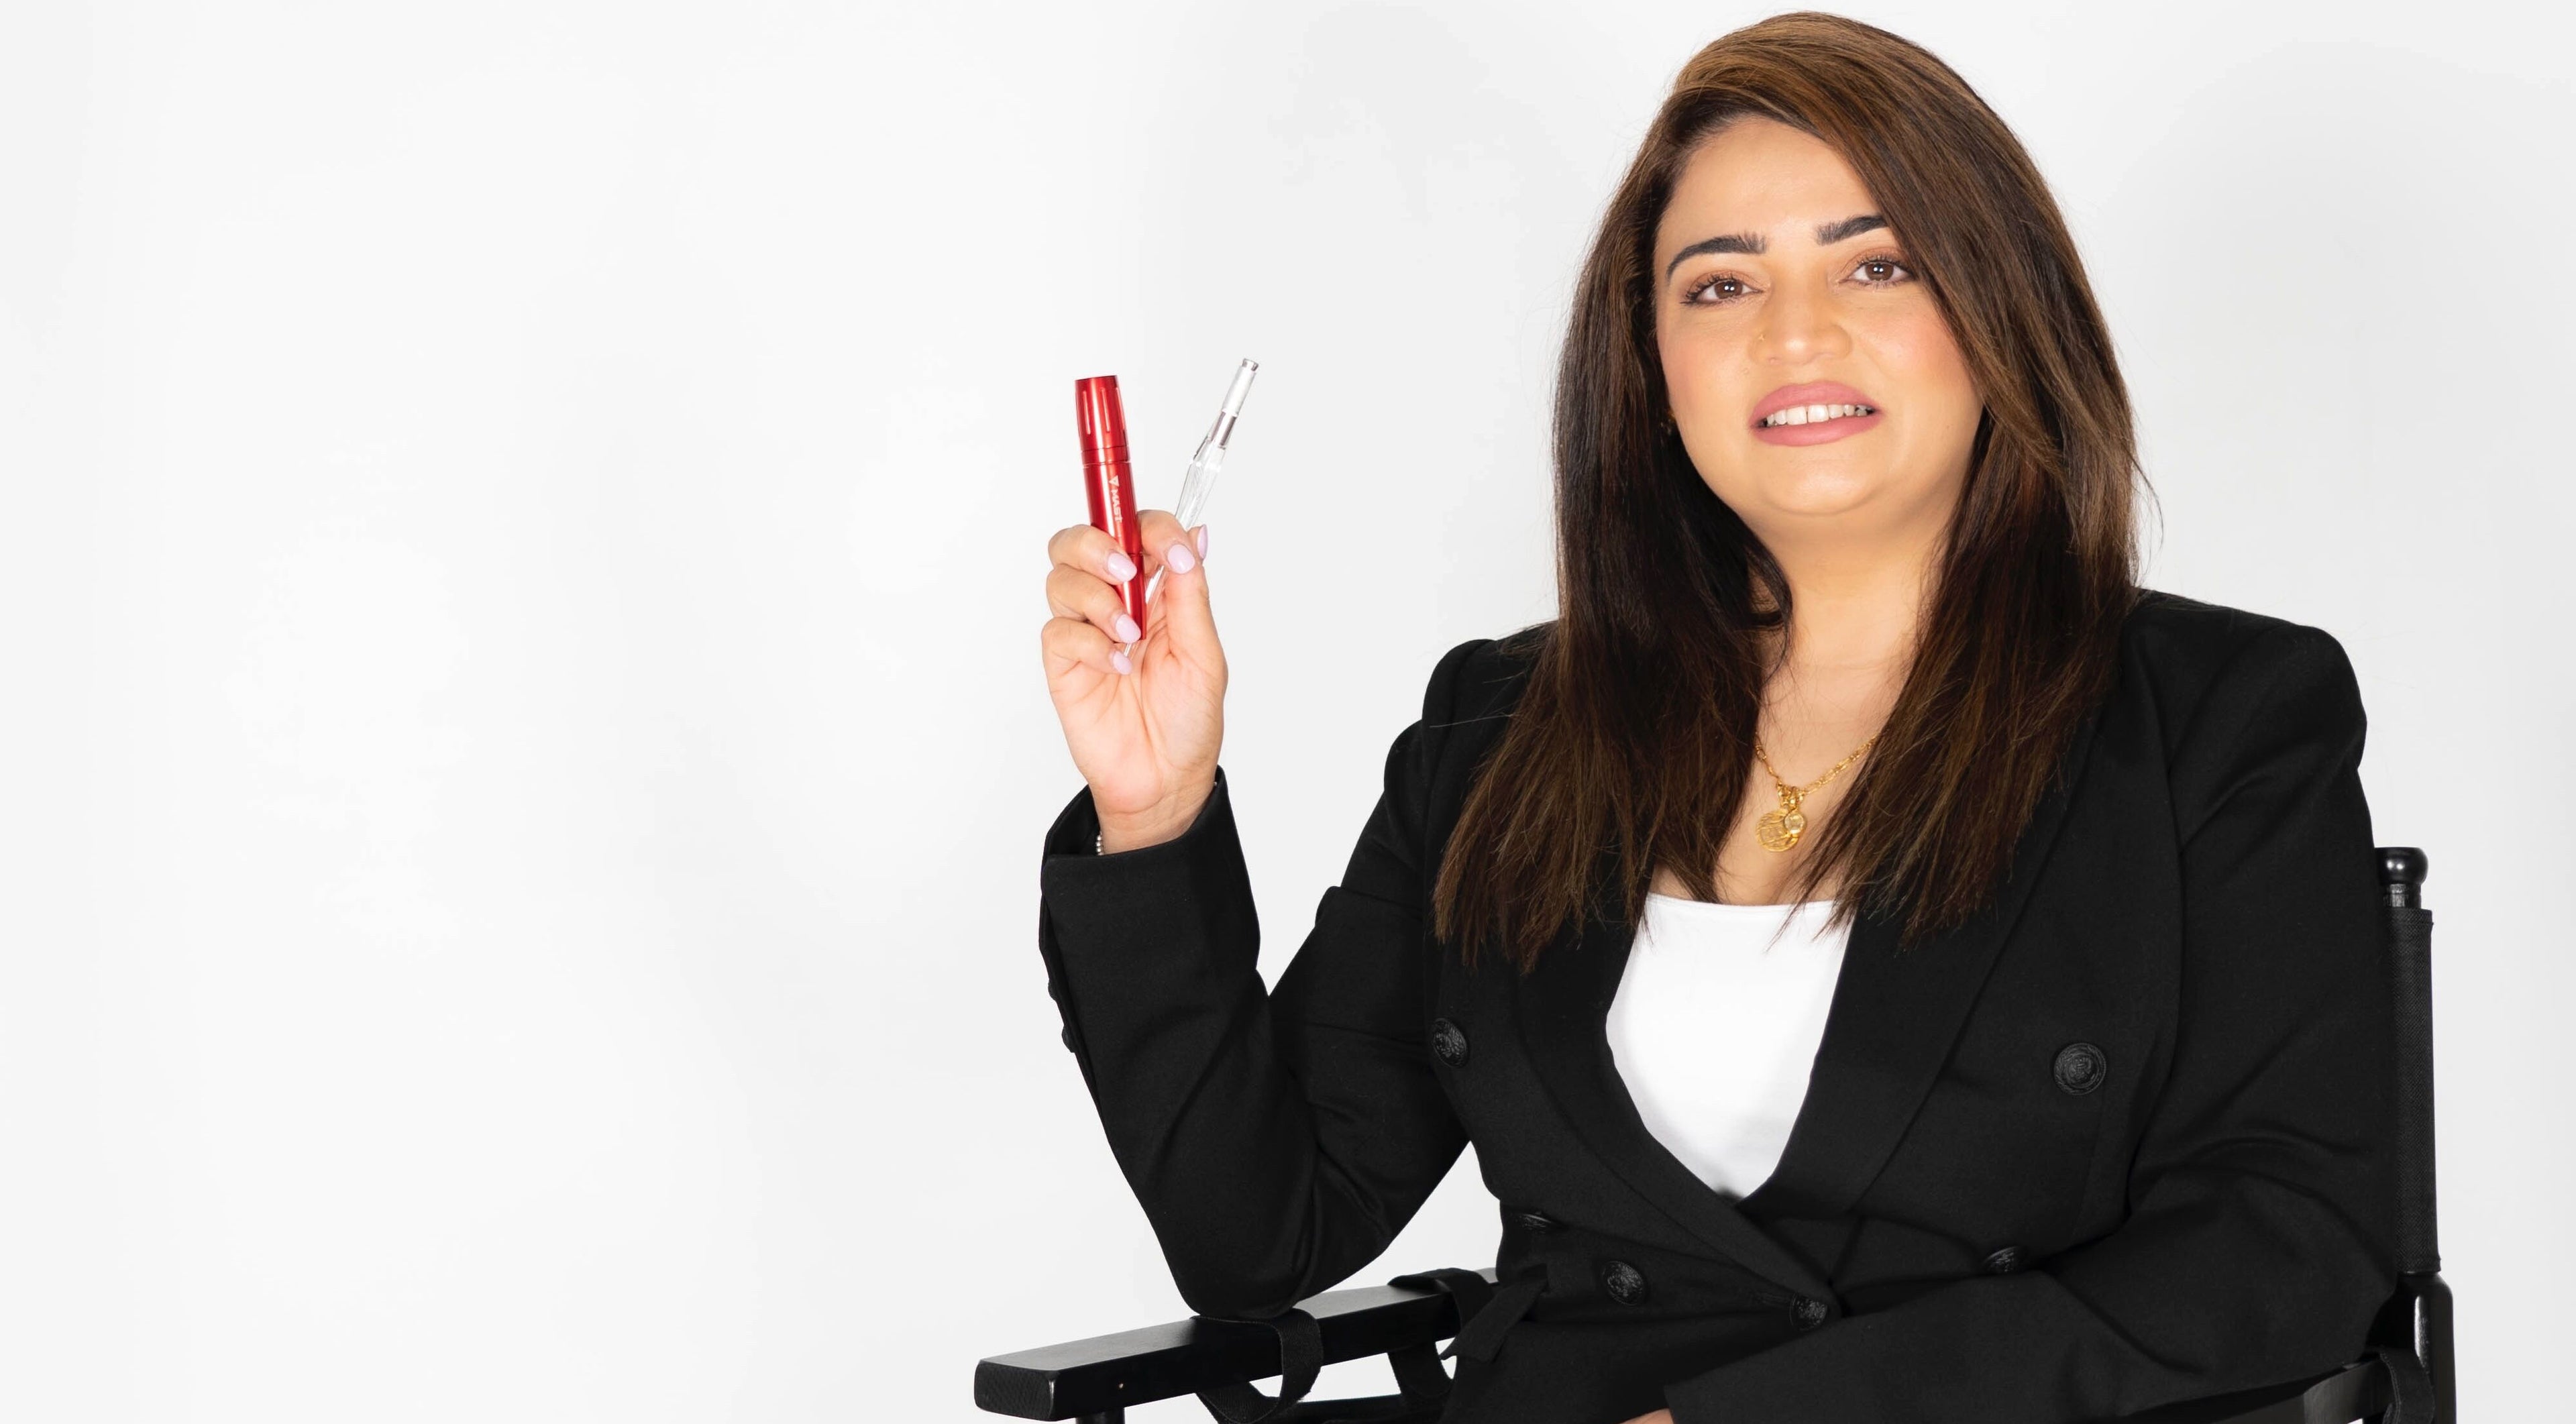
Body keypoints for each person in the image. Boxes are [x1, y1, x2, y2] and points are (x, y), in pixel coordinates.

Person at [1030, 12, 2397, 1424]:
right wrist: (1153, 813)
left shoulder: (2219, 721)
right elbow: (1261, 1235)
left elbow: (2285, 1246)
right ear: (1652, 363)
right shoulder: (1502, 731)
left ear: (2002, 313)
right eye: (1722, 285)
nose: (1796, 333)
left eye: (1878, 264)